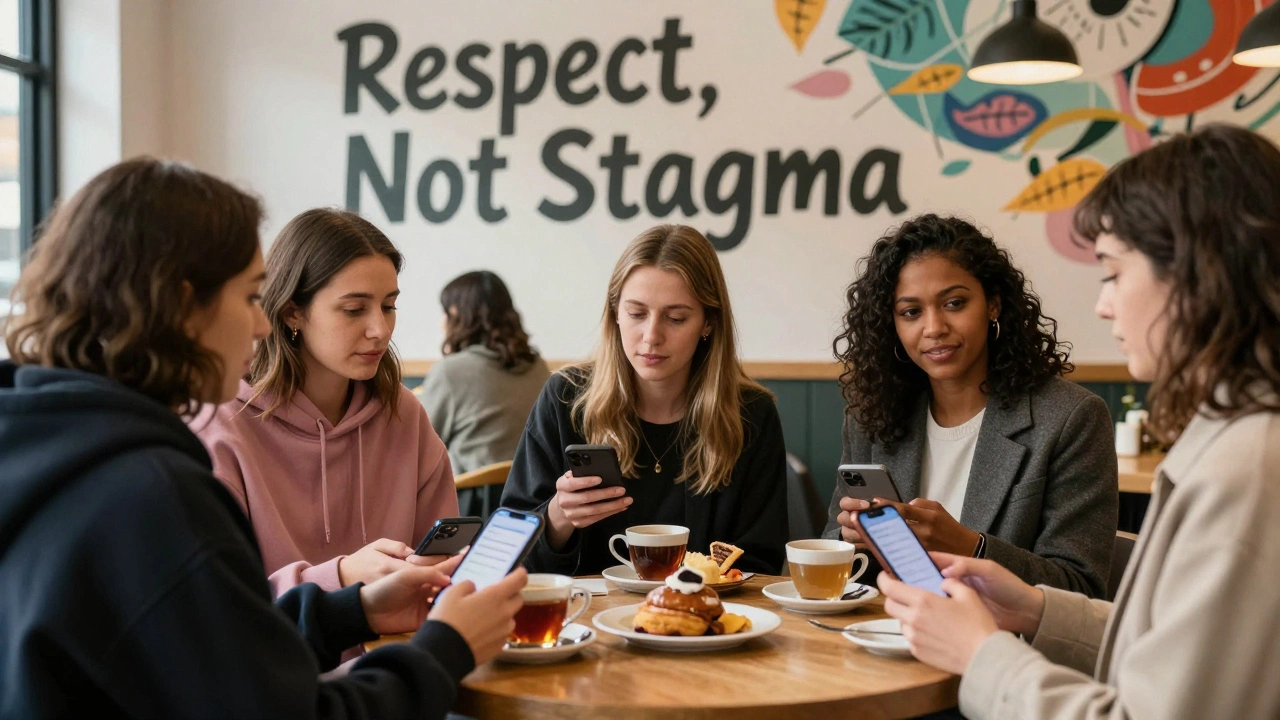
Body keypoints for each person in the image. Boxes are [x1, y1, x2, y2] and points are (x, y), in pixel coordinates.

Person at [0, 158, 525, 718]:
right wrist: (445, 649)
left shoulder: (52, 441)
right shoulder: (150, 490)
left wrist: (350, 610)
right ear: (181, 305)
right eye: (251, 297)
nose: (260, 323)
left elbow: (217, 649)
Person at [880, 124, 1280, 719]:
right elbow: (1161, 645)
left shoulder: (1243, 471)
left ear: (1199, 273)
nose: (1103, 304)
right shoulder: (1236, 440)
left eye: (1114, 273)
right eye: (910, 312)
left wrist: (980, 652)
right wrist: (1038, 609)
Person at [823, 214, 1117, 597]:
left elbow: (1081, 589)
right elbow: (832, 549)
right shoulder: (870, 420)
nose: (933, 328)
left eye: (954, 303)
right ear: (891, 324)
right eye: (911, 312)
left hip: (1001, 648)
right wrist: (852, 543)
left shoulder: (1069, 418)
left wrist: (970, 547)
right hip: (883, 637)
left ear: (993, 304)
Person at [196, 209, 459, 595]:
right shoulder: (222, 425)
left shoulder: (403, 414)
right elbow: (219, 603)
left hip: (399, 649)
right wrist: (341, 577)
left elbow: (445, 562)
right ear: (292, 312)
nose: (380, 330)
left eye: (388, 306)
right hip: (281, 652)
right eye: (354, 310)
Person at [500, 224, 788, 575]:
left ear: (708, 323)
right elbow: (509, 556)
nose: (651, 336)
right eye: (637, 314)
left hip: (705, 625)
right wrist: (559, 516)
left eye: (676, 318)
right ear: (615, 314)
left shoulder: (750, 414)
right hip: (585, 620)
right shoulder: (566, 397)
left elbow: (760, 562)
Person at [419, 270, 551, 516]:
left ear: (457, 314)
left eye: (445, 312)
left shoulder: (450, 371)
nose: (441, 322)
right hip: (532, 506)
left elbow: (418, 447)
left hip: (468, 512)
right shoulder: (538, 367)